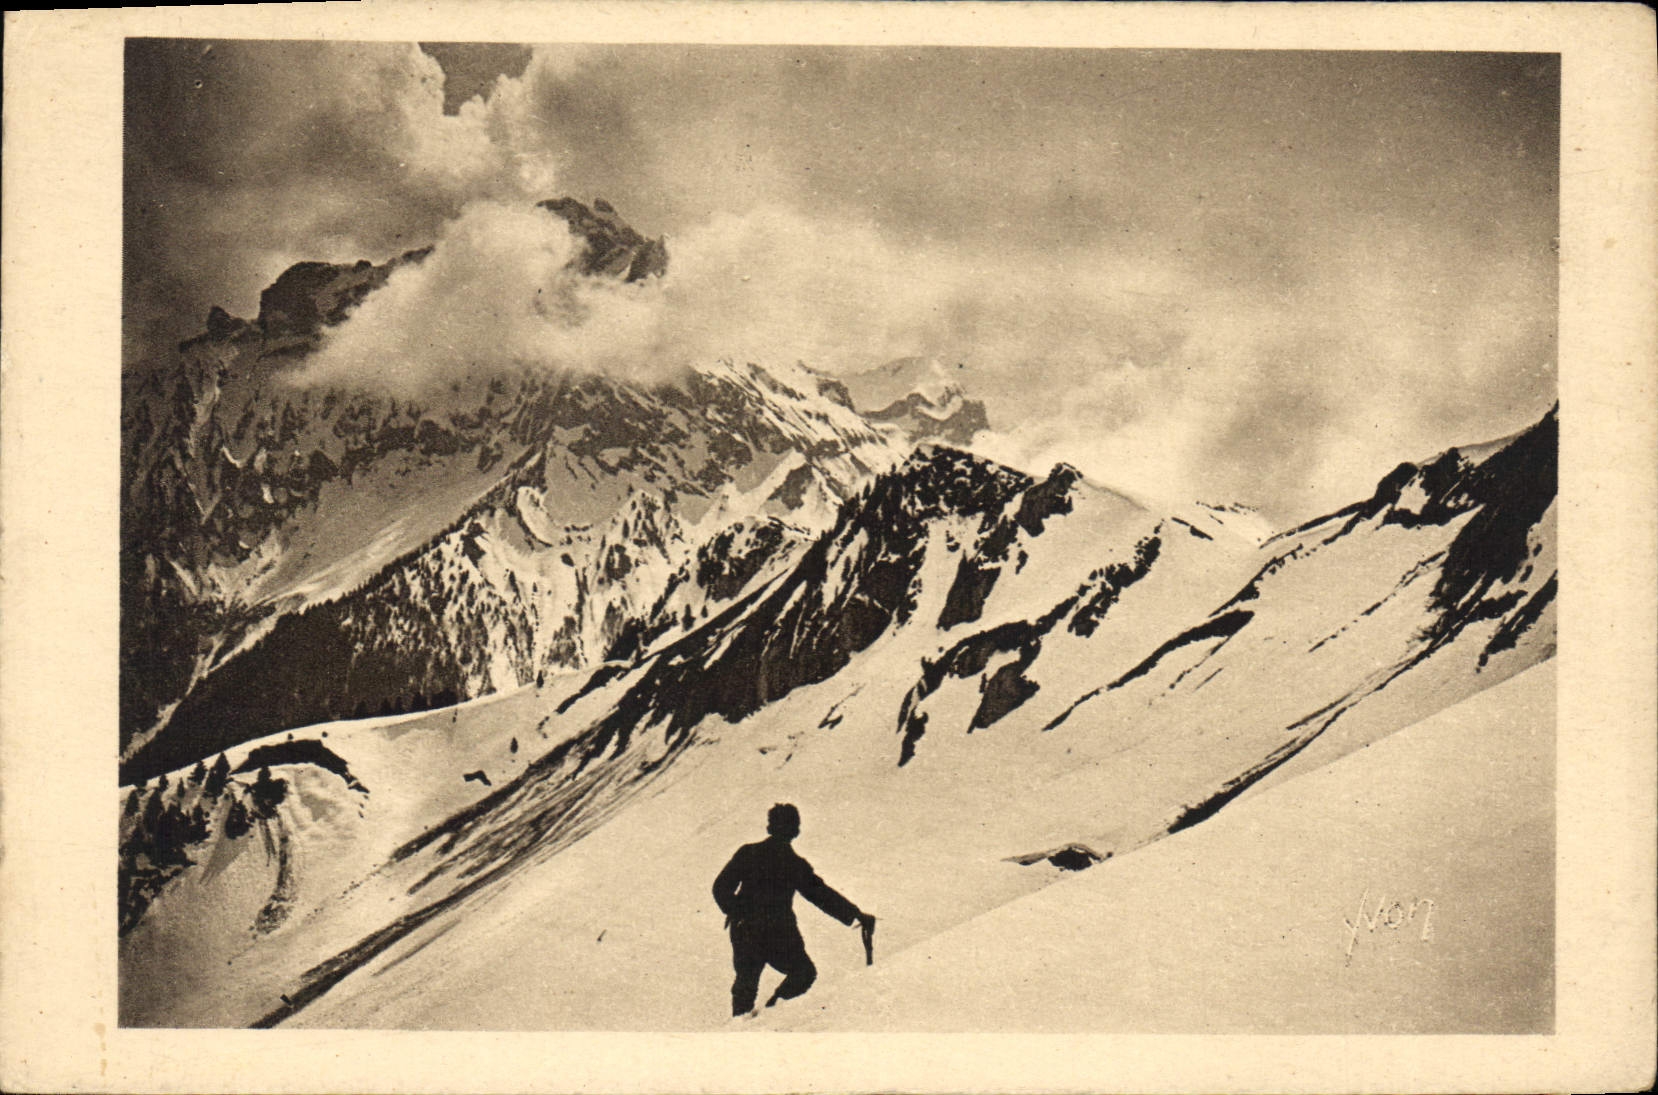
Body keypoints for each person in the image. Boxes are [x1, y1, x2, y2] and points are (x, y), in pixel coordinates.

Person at [712, 803, 874, 1017]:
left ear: (770, 827)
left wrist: (738, 913)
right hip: (778, 932)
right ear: (796, 830)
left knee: (746, 982)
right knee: (803, 973)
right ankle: (770, 1013)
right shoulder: (794, 863)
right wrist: (855, 914)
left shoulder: (749, 852)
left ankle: (744, 1027)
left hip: (747, 930)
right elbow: (821, 895)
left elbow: (720, 888)